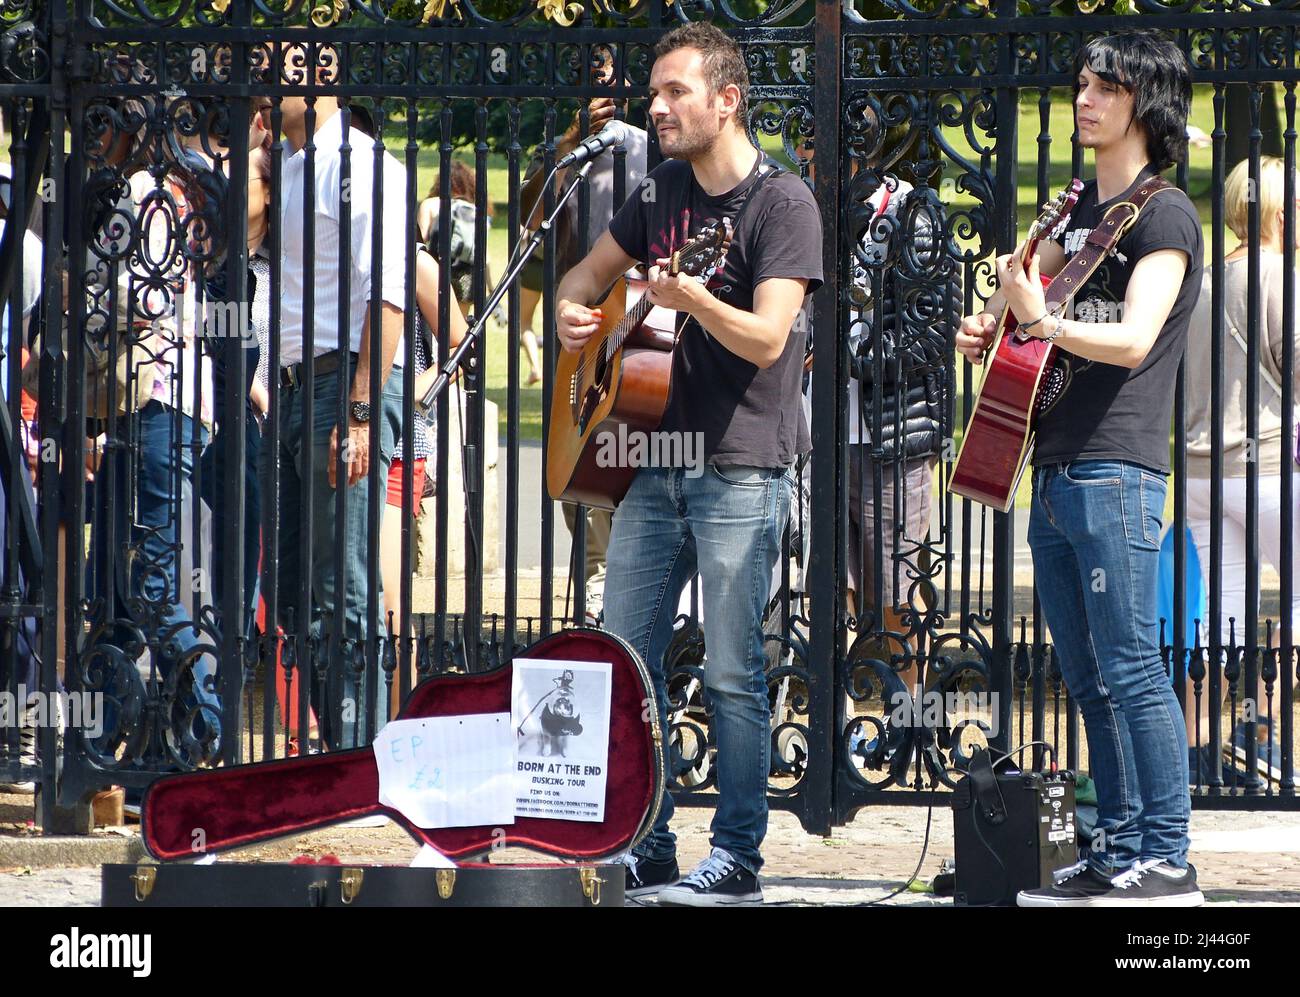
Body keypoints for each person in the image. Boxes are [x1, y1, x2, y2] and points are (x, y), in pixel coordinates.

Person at [557, 22, 823, 905]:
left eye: (675, 93)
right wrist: (569, 315)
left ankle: (738, 857)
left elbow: (768, 335)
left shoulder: (782, 204)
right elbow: (584, 279)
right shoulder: (661, 189)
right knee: (628, 656)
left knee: (732, 668)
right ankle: (649, 841)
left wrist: (696, 297)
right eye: (654, 94)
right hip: (648, 460)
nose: (657, 108)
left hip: (741, 466)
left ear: (727, 99)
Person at [957, 30, 1205, 906]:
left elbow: (1135, 339)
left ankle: (1170, 859)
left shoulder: (1164, 214)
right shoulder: (1081, 219)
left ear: (1144, 102)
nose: (1084, 98)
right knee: (1087, 677)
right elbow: (1020, 292)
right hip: (1055, 471)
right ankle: (1119, 846)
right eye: (1082, 83)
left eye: (1105, 86)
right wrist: (994, 319)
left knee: (1134, 667)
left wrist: (1044, 321)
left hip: (1118, 472)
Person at [272, 56, 409, 750]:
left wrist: (357, 411)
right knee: (293, 584)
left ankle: (363, 760)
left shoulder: (359, 162)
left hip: (342, 386)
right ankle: (344, 752)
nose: (262, 82)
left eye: (276, 66)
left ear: (320, 72)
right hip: (297, 389)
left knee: (341, 587)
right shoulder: (292, 165)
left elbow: (387, 289)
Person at [520, 48, 650, 625]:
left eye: (615, 74)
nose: (606, 86)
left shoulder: (657, 149)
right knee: (579, 453)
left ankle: (634, 587)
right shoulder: (563, 155)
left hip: (644, 326)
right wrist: (571, 143)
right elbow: (530, 227)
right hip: (579, 327)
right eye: (593, 75)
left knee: (636, 450)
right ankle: (595, 582)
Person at [1183, 154, 1299, 783]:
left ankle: (1199, 752)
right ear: (1282, 215)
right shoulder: (1280, 276)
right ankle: (1257, 731)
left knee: (1217, 619)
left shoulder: (1198, 281)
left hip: (1202, 474)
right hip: (1272, 467)